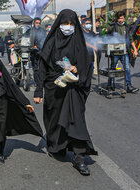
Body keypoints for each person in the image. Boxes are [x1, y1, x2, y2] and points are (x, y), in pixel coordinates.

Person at [34, 9, 97, 176]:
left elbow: (85, 63)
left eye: (71, 24)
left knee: (76, 119)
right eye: (65, 24)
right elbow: (42, 67)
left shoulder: (78, 41)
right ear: (58, 25)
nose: (68, 27)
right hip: (54, 88)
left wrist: (77, 69)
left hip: (73, 87)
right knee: (54, 119)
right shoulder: (51, 42)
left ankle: (79, 156)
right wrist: (39, 90)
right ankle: (57, 145)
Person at [107, 11, 139, 93]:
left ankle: (129, 86)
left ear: (124, 18)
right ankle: (110, 85)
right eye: (119, 18)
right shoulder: (113, 26)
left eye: (122, 18)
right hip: (115, 53)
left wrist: (135, 50)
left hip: (124, 52)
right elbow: (107, 33)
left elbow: (131, 39)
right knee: (112, 69)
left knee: (127, 69)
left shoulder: (127, 27)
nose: (120, 20)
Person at [30, 17, 47, 84]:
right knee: (35, 67)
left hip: (41, 51)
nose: (38, 24)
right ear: (34, 23)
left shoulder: (42, 31)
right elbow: (27, 38)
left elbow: (44, 39)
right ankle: (37, 81)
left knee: (42, 67)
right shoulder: (30, 30)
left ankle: (42, 80)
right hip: (33, 51)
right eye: (36, 23)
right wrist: (32, 46)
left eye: (39, 23)